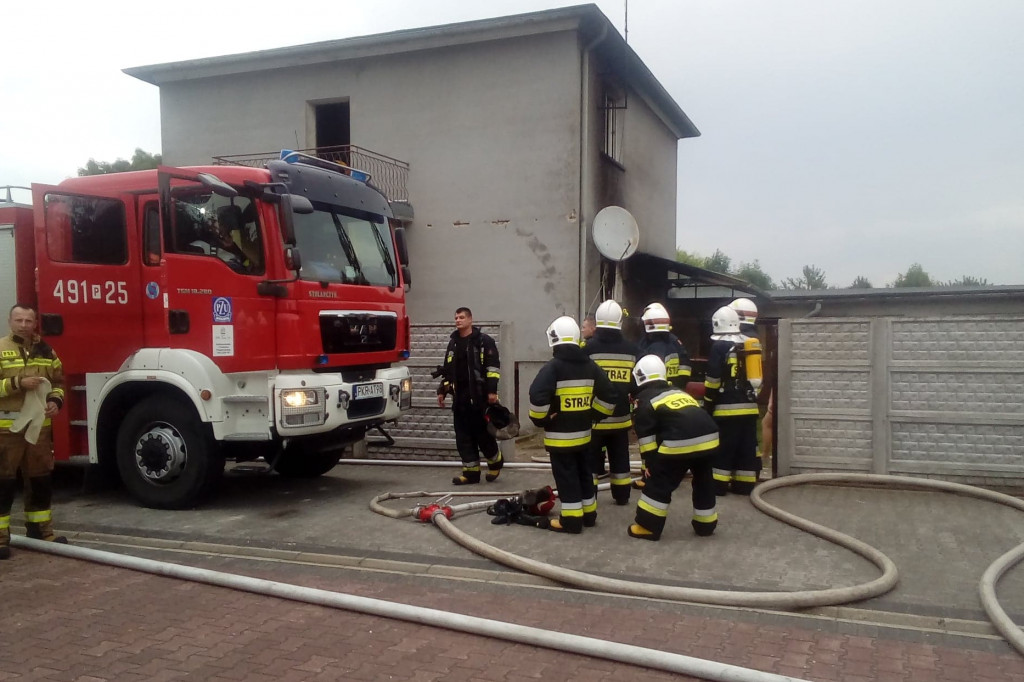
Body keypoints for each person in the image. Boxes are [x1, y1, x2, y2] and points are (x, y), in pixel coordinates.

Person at [528, 316, 617, 533]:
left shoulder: (553, 368)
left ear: (554, 339)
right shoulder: (590, 366)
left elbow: (537, 397)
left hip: (560, 439)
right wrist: (595, 414)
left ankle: (571, 520)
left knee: (567, 477)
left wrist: (542, 419)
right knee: (585, 474)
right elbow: (611, 396)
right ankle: (589, 515)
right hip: (585, 436)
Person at [0, 304, 67, 559]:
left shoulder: (46, 351)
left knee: (40, 480)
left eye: (29, 321)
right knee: (3, 484)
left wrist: (55, 401)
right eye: (19, 320)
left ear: (35, 323)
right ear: (10, 321)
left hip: (39, 428)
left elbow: (58, 382)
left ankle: (40, 532)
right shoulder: (1, 348)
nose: (24, 325)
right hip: (6, 430)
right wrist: (18, 383)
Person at [628, 355, 720, 541]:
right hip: (710, 438)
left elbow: (647, 438)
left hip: (680, 441)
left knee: (659, 483)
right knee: (704, 481)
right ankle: (706, 524)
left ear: (639, 377)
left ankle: (648, 526)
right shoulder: (677, 392)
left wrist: (651, 465)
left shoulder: (645, 399)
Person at [436, 307, 503, 485]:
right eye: (456, 317)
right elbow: (447, 370)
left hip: (479, 397)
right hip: (460, 398)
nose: (458, 320)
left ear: (470, 320)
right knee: (463, 436)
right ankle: (471, 473)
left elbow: (493, 368)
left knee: (482, 434)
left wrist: (492, 391)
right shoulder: (453, 343)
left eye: (462, 317)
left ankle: (495, 462)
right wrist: (442, 391)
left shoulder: (483, 341)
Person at [582, 300, 638, 505]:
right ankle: (622, 496)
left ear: (598, 322)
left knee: (591, 461)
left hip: (595, 419)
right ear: (619, 322)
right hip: (622, 420)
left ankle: (590, 498)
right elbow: (636, 384)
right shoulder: (632, 350)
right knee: (621, 461)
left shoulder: (587, 349)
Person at [704, 306, 761, 495]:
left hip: (727, 409)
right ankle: (744, 485)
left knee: (724, 448)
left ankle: (718, 486)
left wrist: (708, 402)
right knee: (746, 447)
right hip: (750, 408)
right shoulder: (749, 343)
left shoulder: (719, 346)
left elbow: (713, 380)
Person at [638, 302, 691, 389]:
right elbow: (685, 368)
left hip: (656, 391)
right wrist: (679, 387)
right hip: (675, 390)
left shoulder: (652, 346)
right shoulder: (676, 342)